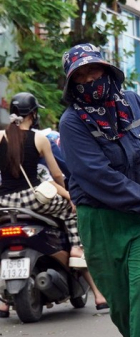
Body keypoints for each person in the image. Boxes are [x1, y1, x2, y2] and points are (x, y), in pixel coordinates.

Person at [58, 43, 140, 337]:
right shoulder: (72, 123)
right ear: (72, 84)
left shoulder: (135, 103)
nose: (90, 81)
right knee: (121, 306)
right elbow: (96, 175)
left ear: (107, 70)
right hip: (101, 223)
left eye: (94, 71)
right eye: (81, 76)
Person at [0, 92, 107, 316]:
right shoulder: (39, 139)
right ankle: (77, 249)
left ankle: (3, 303)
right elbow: (57, 175)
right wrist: (67, 193)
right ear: (33, 114)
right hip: (32, 199)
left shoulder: (0, 136)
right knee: (70, 212)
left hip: (4, 202)